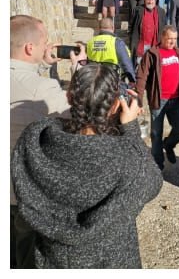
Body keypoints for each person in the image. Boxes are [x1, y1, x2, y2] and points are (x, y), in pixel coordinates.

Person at [11, 64, 162, 268]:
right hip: (110, 259)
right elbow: (152, 181)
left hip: (49, 259)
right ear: (117, 105)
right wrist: (130, 129)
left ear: (69, 98)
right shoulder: (127, 158)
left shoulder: (35, 141)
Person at [10, 15, 85, 268]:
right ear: (30, 48)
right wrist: (77, 68)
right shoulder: (42, 89)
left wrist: (42, 66)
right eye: (44, 42)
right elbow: (80, 114)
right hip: (23, 197)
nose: (48, 46)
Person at [135, 26, 179, 170]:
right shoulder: (151, 54)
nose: (172, 42)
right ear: (162, 37)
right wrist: (138, 100)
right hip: (158, 100)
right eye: (170, 38)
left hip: (176, 100)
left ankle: (168, 145)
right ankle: (158, 164)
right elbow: (142, 77)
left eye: (175, 39)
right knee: (156, 133)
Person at [86, 17, 136, 83]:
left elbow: (87, 61)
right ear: (113, 28)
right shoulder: (117, 42)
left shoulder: (90, 42)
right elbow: (126, 62)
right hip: (111, 79)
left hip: (94, 79)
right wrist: (132, 79)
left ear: (99, 28)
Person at [129, 0, 166, 67]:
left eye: (153, 0)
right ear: (145, 0)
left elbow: (163, 27)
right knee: (140, 65)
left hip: (155, 44)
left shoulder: (161, 12)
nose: (150, 2)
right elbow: (132, 24)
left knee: (153, 65)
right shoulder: (138, 10)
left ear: (156, 1)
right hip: (141, 44)